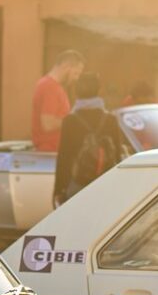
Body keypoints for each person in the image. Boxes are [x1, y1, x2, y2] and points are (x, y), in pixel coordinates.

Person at [53, 73, 124, 204]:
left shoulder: (70, 121)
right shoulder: (110, 120)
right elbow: (118, 156)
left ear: (77, 92)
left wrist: (58, 189)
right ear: (99, 91)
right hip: (105, 184)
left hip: (77, 184)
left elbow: (64, 158)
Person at [30, 51, 83, 152]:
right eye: (76, 73)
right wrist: (75, 120)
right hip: (51, 152)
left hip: (56, 151)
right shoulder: (50, 87)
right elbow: (48, 124)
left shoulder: (53, 86)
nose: (76, 78)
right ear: (66, 66)